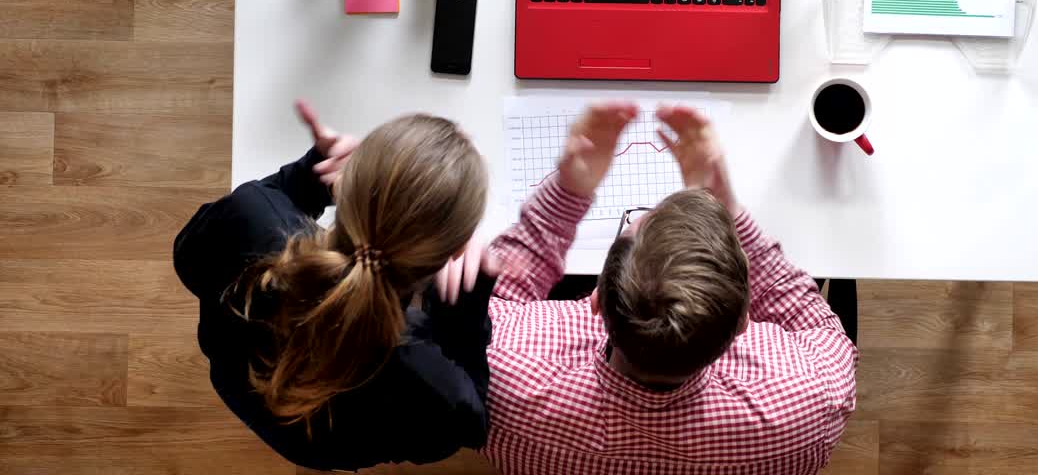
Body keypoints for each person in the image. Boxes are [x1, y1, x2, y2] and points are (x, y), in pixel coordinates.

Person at [478, 102, 858, 474]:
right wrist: (730, 209)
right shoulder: (812, 403)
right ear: (745, 320)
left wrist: (566, 194)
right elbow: (817, 327)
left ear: (595, 300)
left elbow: (486, 304)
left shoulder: (494, 373)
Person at [173, 101, 499, 471]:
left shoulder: (251, 218)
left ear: (344, 185)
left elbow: (188, 257)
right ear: (455, 252)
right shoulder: (432, 382)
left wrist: (303, 180)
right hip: (319, 447)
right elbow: (466, 428)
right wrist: (463, 311)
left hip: (236, 379)